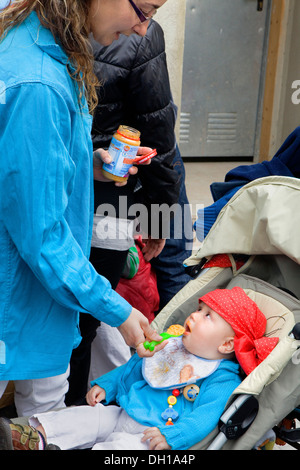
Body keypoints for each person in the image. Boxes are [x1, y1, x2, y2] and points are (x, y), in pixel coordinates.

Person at [0, 0, 168, 416]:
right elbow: (43, 238)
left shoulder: (47, 44)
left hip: (37, 294)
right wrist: (118, 310)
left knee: (45, 423)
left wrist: (91, 163)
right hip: (20, 292)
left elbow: (25, 166)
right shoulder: (39, 82)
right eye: (145, 10)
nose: (145, 30)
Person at [66, 18, 193, 405]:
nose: (142, 24)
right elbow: (158, 133)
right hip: (109, 198)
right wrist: (160, 217)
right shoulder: (142, 35)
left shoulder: (43, 21)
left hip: (78, 187)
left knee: (71, 315)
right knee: (86, 321)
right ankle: (69, 408)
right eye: (149, 8)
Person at [0, 287, 279, 450]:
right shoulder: (172, 345)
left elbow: (204, 419)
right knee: (84, 417)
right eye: (199, 308)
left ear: (227, 344)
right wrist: (107, 384)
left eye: (208, 316)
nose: (194, 315)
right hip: (123, 411)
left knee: (121, 449)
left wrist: (171, 437)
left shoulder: (221, 378)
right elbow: (133, 371)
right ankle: (35, 436)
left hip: (153, 435)